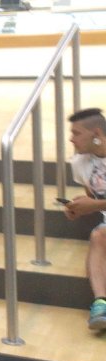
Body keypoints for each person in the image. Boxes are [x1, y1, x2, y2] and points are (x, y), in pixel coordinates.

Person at [62, 108, 106, 329]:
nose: (71, 138)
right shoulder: (79, 163)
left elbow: (98, 203)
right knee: (98, 236)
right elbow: (95, 195)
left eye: (77, 133)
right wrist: (79, 207)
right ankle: (101, 305)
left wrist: (94, 205)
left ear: (96, 133)